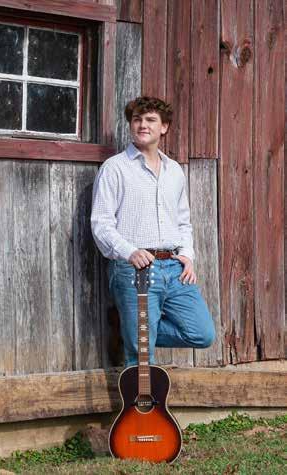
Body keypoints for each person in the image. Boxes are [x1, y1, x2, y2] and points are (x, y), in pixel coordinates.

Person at [91, 96, 215, 367]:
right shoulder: (115, 168)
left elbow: (183, 221)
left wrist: (188, 255)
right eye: (137, 120)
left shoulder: (174, 171)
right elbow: (101, 223)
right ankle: (134, 339)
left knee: (202, 333)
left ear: (164, 127)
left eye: (150, 120)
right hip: (134, 269)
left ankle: (129, 329)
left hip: (174, 268)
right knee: (141, 356)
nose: (142, 125)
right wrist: (130, 252)